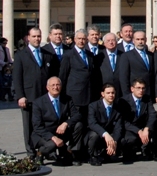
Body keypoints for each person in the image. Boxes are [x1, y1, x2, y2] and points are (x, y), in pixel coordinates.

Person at [14, 27, 57, 158]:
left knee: (45, 124)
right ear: (28, 38)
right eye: (34, 36)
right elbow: (17, 78)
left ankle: (45, 151)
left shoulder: (47, 54)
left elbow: (52, 75)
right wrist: (20, 96)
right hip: (29, 97)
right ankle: (31, 152)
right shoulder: (21, 55)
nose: (37, 39)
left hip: (44, 97)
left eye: (39, 36)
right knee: (29, 126)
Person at [31, 77, 83, 166]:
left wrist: (66, 123)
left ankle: (70, 152)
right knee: (51, 145)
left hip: (61, 131)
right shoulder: (38, 102)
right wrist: (53, 138)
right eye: (53, 85)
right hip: (44, 134)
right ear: (47, 87)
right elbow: (37, 126)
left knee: (79, 125)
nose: (56, 87)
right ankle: (40, 153)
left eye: (58, 85)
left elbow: (77, 115)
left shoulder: (67, 99)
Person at [59, 29, 100, 123]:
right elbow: (63, 76)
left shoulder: (90, 55)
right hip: (75, 96)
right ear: (75, 39)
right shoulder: (68, 55)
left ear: (86, 40)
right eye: (79, 38)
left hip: (89, 95)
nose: (81, 41)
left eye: (83, 39)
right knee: (77, 123)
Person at [118, 78, 157, 163]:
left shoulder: (147, 98)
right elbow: (124, 122)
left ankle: (155, 150)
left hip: (144, 126)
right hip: (131, 128)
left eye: (143, 88)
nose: (141, 90)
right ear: (132, 89)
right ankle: (133, 151)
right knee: (130, 140)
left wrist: (146, 128)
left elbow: (153, 114)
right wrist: (138, 131)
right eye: (138, 88)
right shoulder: (123, 101)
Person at [87, 83, 123, 166]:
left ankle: (106, 155)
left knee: (122, 138)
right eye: (108, 93)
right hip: (97, 134)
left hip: (110, 136)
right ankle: (93, 156)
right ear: (102, 94)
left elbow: (119, 127)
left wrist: (114, 141)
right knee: (94, 135)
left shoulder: (118, 108)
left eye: (113, 93)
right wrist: (105, 134)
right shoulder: (93, 106)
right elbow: (92, 123)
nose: (111, 95)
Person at [119, 31, 155, 100]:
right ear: (133, 40)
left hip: (149, 94)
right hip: (134, 94)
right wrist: (127, 95)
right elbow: (123, 78)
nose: (140, 42)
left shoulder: (151, 55)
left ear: (146, 40)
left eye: (142, 39)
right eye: (138, 39)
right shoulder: (127, 56)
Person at [95, 33, 123, 98]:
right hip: (104, 92)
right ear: (104, 43)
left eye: (113, 40)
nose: (111, 42)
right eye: (108, 41)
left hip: (120, 91)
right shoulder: (98, 57)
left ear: (117, 42)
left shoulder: (124, 56)